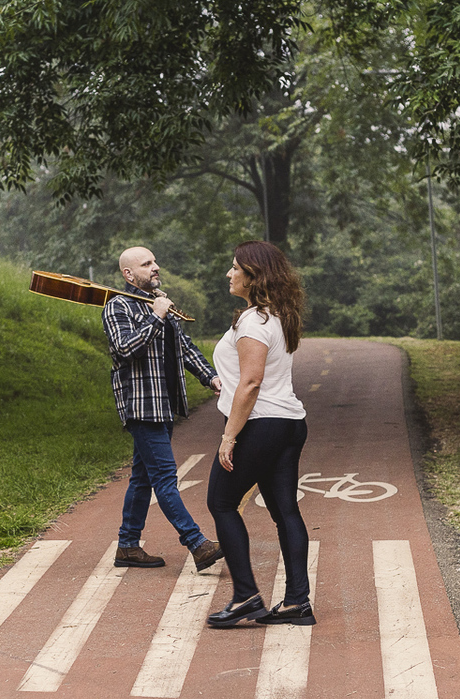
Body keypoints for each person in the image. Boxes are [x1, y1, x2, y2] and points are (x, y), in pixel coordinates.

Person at [205, 240, 314, 627]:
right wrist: (226, 382)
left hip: (260, 425)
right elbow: (248, 377)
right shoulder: (277, 316)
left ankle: (245, 595)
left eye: (236, 268)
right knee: (285, 511)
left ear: (254, 276)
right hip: (288, 422)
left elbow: (252, 383)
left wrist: (229, 437)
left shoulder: (253, 322)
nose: (230, 274)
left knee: (220, 502)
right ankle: (296, 602)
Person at [103, 246, 225, 571]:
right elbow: (125, 348)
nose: (155, 267)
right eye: (147, 264)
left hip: (165, 404)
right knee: (165, 477)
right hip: (143, 406)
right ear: (129, 274)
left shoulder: (159, 303)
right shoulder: (118, 306)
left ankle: (128, 545)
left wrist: (210, 377)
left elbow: (183, 347)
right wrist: (157, 317)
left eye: (155, 261)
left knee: (142, 477)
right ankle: (197, 544)